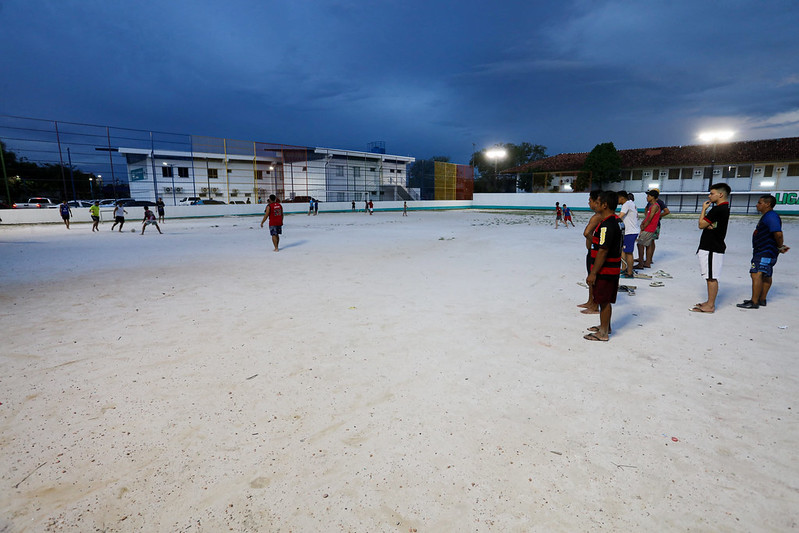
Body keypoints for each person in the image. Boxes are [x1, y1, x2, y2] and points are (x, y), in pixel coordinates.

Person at [737, 194, 790, 309]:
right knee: (766, 274)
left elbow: (778, 233)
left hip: (765, 251)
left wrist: (780, 246)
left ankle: (754, 302)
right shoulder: (768, 216)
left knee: (756, 273)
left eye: (760, 203)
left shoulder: (771, 216)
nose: (757, 205)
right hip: (766, 251)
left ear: (767, 204)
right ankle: (761, 299)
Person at [584, 190, 623, 341]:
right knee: (605, 299)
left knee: (604, 301)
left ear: (605, 205)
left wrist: (593, 272)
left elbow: (603, 250)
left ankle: (603, 333)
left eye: (598, 203)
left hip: (606, 270)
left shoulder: (607, 225)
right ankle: (605, 326)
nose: (595, 205)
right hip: (613, 269)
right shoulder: (618, 221)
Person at [691, 183, 731, 313]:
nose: (709, 196)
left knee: (711, 277)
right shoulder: (723, 209)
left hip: (712, 247)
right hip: (712, 246)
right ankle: (709, 302)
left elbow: (701, 224)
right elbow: (709, 225)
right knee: (710, 276)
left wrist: (703, 209)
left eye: (712, 193)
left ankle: (710, 305)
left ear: (721, 194)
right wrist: (709, 224)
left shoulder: (718, 209)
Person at [578, 190, 603, 314]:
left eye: (590, 201)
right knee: (590, 276)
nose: (589, 203)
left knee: (593, 277)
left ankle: (594, 304)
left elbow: (586, 233)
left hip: (595, 251)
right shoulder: (599, 216)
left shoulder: (597, 217)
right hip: (592, 251)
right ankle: (590, 301)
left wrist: (596, 243)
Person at [634, 190, 661, 269]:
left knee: (640, 244)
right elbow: (647, 217)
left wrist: (644, 226)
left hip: (649, 228)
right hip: (650, 228)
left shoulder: (655, 206)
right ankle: (647, 262)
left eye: (648, 196)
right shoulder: (652, 206)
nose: (647, 197)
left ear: (653, 197)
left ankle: (641, 263)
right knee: (648, 245)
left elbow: (650, 218)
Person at [617, 190, 639, 278]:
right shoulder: (630, 203)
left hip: (630, 232)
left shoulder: (626, 204)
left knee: (629, 252)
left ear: (622, 198)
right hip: (630, 231)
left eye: (617, 198)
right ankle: (624, 268)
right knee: (623, 250)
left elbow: (620, 216)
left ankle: (629, 273)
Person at [648, 188, 670, 263]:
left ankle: (649, 259)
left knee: (651, 241)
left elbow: (667, 211)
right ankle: (646, 258)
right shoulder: (650, 202)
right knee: (647, 241)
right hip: (649, 224)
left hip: (655, 224)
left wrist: (658, 215)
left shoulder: (659, 202)